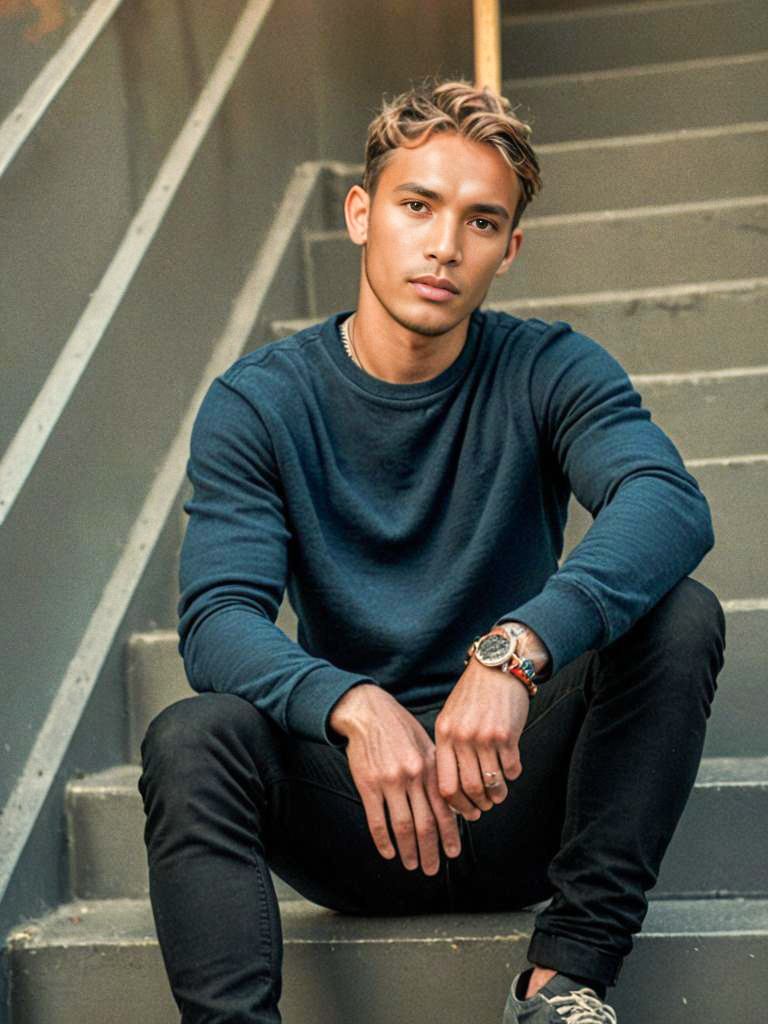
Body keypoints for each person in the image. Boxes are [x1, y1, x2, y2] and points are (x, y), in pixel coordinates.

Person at [139, 80, 725, 1024]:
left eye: (481, 221)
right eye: (418, 206)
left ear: (510, 249)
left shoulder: (548, 368)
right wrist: (350, 704)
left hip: (514, 796)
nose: (445, 245)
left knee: (680, 614)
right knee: (191, 736)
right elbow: (217, 622)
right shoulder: (260, 402)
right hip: (353, 817)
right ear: (362, 214)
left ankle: (562, 983)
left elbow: (664, 501)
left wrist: (517, 651)